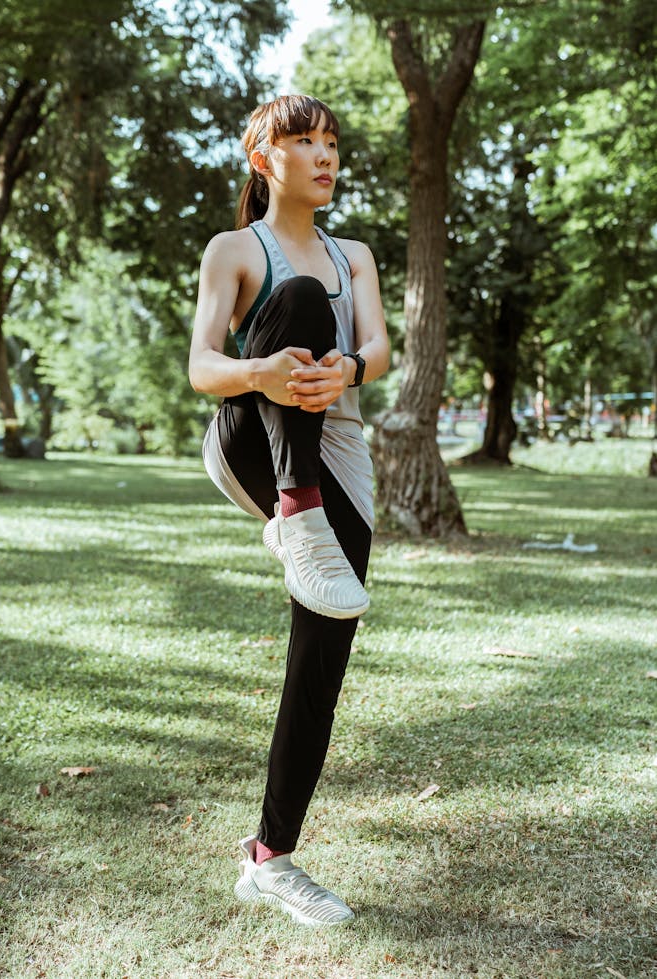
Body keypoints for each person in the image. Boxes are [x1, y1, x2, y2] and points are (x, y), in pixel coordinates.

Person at [189, 94, 389, 927]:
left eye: (332, 143)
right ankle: (293, 512)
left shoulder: (359, 254)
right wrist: (264, 371)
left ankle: (270, 859)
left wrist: (346, 371)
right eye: (304, 141)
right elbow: (203, 365)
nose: (324, 155)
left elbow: (379, 347)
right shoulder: (238, 249)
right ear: (262, 158)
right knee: (301, 297)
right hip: (247, 442)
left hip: (339, 458)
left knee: (319, 669)